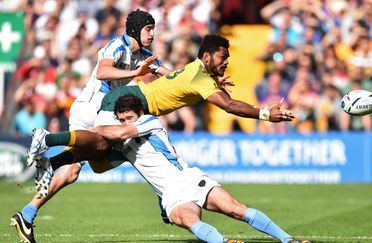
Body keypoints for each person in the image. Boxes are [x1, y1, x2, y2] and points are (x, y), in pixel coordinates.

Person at [27, 34, 295, 198]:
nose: (226, 62)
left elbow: (178, 80)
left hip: (133, 102)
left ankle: (53, 162)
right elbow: (229, 106)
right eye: (222, 57)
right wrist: (265, 114)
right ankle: (48, 139)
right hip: (130, 102)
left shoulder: (196, 71)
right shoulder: (201, 77)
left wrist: (215, 80)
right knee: (101, 141)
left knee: (100, 159)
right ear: (207, 56)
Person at [36, 94, 310, 243]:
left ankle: (290, 241)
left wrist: (94, 128)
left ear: (138, 115)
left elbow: (117, 135)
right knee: (189, 221)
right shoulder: (123, 140)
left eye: (127, 118)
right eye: (121, 119)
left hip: (190, 179)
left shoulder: (149, 122)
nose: (124, 122)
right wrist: (58, 160)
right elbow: (91, 150)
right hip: (171, 195)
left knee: (236, 209)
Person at [11, 9, 171, 243]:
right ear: (136, 29)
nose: (153, 33)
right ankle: (164, 194)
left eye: (153, 28)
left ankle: (27, 212)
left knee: (74, 170)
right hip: (91, 109)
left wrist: (206, 79)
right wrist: (137, 72)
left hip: (103, 111)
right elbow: (103, 71)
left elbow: (171, 76)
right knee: (137, 144)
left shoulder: (144, 55)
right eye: (148, 29)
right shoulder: (116, 46)